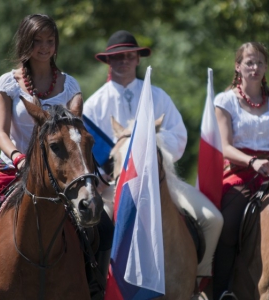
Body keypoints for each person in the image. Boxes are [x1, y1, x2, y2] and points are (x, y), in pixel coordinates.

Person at [83, 30, 223, 295]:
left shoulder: (158, 96)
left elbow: (180, 137)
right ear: (108, 62)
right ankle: (97, 286)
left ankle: (199, 279)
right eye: (117, 57)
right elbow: (88, 153)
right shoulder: (94, 105)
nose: (123, 60)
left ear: (137, 58)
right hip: (115, 187)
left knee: (213, 219)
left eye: (128, 55)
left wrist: (149, 144)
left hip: (162, 181)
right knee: (95, 229)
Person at [0, 14, 85, 299]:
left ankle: (95, 286)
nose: (44, 47)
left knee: (103, 226)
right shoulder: (8, 83)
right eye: (38, 40)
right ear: (26, 43)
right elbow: (1, 133)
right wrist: (18, 158)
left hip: (58, 175)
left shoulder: (70, 85)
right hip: (12, 169)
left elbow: (74, 138)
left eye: (50, 41)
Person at [212, 42, 269, 299]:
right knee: (227, 225)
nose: (255, 67)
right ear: (238, 67)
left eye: (260, 62)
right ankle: (222, 291)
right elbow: (224, 147)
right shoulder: (225, 100)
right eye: (249, 62)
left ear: (266, 67)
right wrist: (252, 162)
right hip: (240, 170)